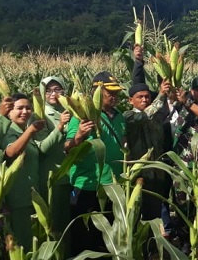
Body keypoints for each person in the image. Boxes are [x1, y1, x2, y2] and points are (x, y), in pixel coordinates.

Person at [64, 71, 126, 256]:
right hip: (87, 183)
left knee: (106, 235)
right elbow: (67, 147)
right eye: (110, 93)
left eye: (117, 93)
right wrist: (79, 136)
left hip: (112, 184)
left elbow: (122, 140)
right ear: (96, 92)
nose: (115, 97)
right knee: (84, 235)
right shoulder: (81, 116)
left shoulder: (119, 115)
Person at [1, 93, 62, 249]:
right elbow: (11, 153)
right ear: (9, 112)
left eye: (28, 108)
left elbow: (40, 152)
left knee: (32, 242)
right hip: (17, 199)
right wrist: (30, 131)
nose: (25, 112)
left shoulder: (25, 132)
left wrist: (59, 128)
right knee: (23, 244)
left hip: (31, 196)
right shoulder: (9, 133)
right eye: (19, 108)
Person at [123, 79, 171, 221]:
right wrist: (161, 94)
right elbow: (143, 117)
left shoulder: (156, 117)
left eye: (147, 96)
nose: (144, 99)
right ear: (130, 100)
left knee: (154, 215)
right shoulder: (128, 116)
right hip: (138, 174)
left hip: (156, 173)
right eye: (140, 97)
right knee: (135, 213)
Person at [36, 77, 72, 242]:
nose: (53, 93)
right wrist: (60, 127)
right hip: (52, 176)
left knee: (66, 224)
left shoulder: (67, 109)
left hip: (68, 175)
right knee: (55, 225)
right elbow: (42, 148)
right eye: (49, 90)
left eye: (57, 89)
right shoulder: (40, 113)